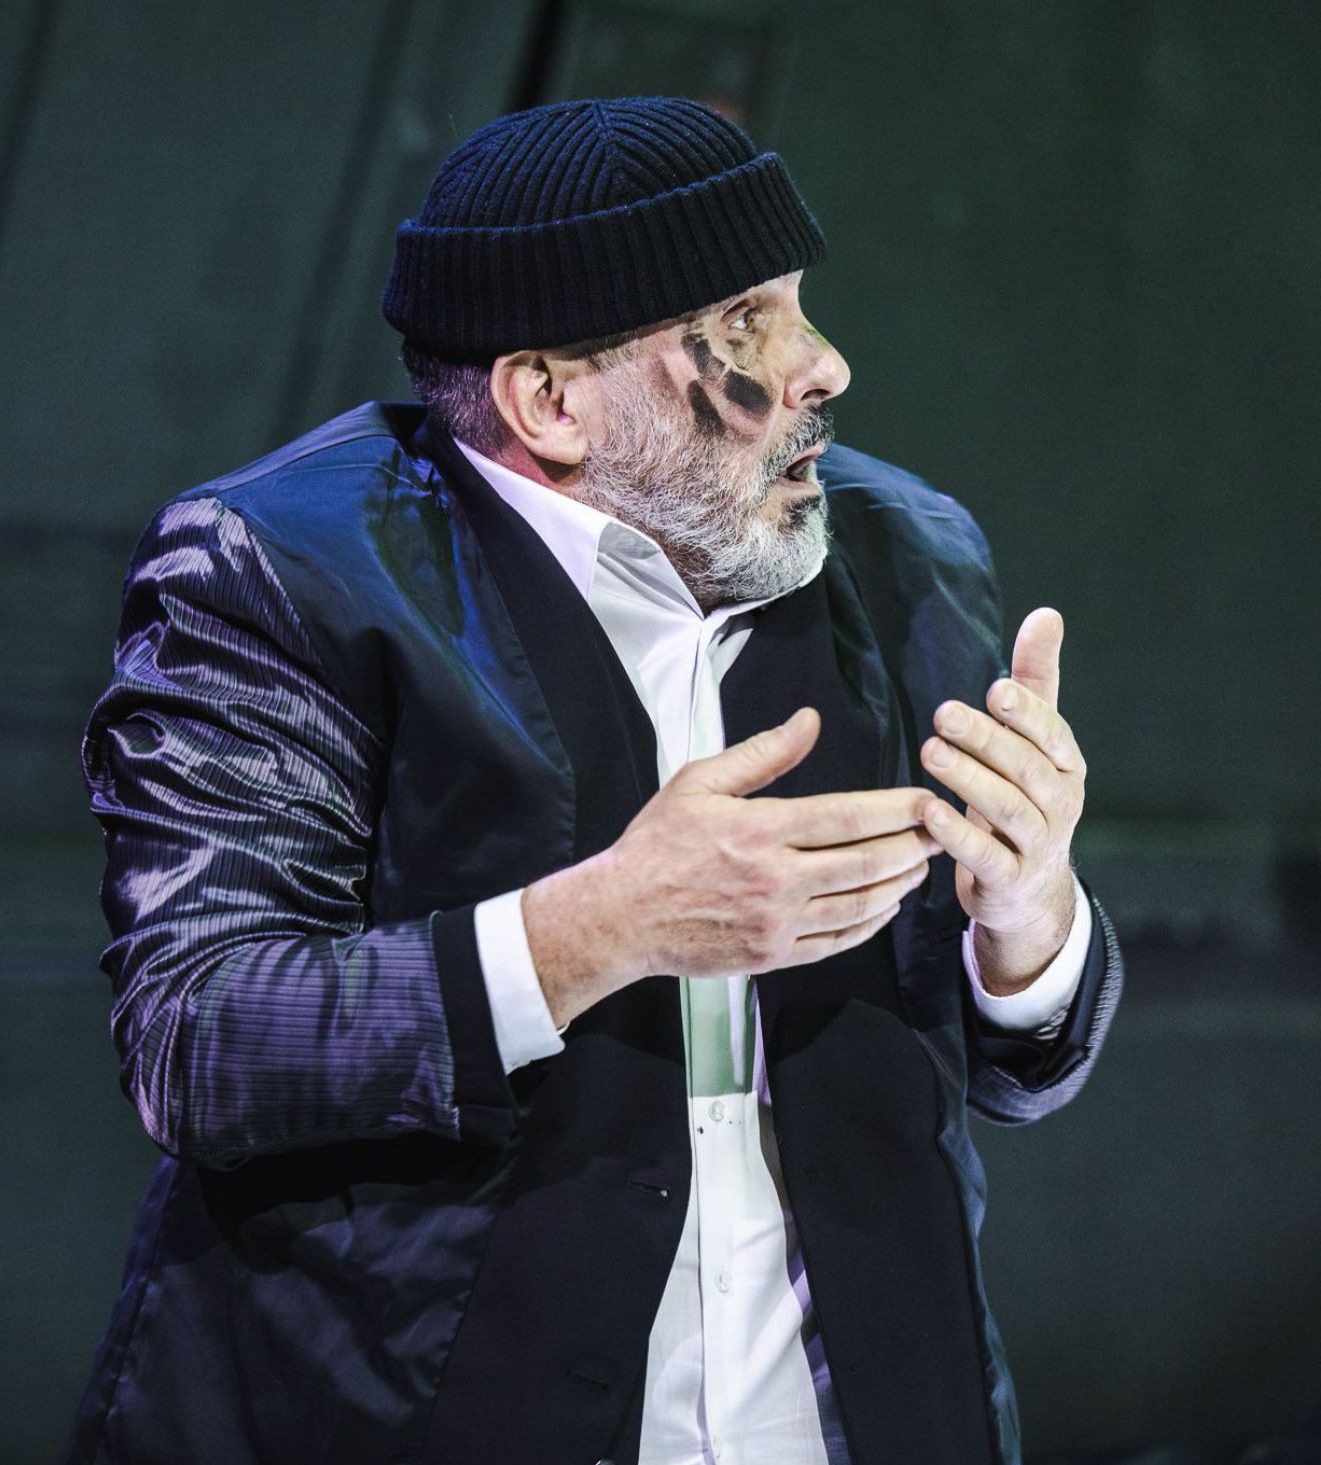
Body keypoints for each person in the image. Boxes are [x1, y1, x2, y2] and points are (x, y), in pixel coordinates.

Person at [68, 97, 1123, 1465]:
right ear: (551, 400)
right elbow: (199, 1035)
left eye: (798, 305)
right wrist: (598, 928)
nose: (824, 365)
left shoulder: (906, 548)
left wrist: (1029, 919)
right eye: (744, 322)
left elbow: (1011, 1070)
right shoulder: (285, 570)